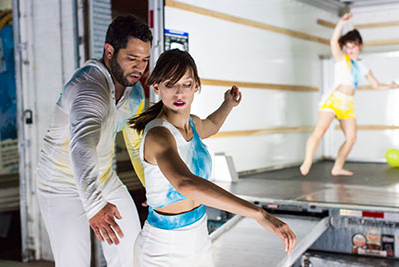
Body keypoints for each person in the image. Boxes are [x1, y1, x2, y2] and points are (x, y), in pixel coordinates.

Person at [130, 49, 296, 267]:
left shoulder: (193, 125)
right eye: (170, 84)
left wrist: (228, 103)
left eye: (186, 84)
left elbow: (212, 124)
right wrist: (259, 214)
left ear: (196, 86)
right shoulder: (159, 134)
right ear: (157, 87)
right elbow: (185, 183)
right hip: (163, 247)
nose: (179, 93)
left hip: (199, 237)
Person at [36, 15, 151, 267]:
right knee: (73, 263)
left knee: (131, 253)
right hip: (60, 184)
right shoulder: (89, 87)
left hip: (102, 176)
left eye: (144, 60)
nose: (139, 68)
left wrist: (152, 186)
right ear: (109, 51)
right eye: (132, 58)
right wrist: (96, 205)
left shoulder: (135, 92)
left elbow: (135, 144)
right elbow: (82, 147)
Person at [300, 13, 399, 177]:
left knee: (351, 138)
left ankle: (337, 167)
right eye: (347, 46)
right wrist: (340, 23)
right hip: (334, 100)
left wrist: (391, 86)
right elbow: (333, 42)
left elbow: (376, 85)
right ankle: (308, 160)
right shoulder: (341, 59)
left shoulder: (362, 66)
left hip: (348, 104)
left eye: (353, 46)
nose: (350, 50)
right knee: (321, 130)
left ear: (360, 46)